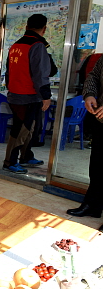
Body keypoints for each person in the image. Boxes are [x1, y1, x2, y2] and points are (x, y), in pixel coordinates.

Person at [2, 14, 52, 174]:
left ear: (27, 26)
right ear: (44, 29)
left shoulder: (16, 45)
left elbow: (8, 72)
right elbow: (40, 74)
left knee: (29, 128)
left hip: (16, 93)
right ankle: (9, 162)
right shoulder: (37, 45)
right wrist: (46, 96)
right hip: (28, 95)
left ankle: (26, 156)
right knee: (21, 129)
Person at [66, 55, 103, 227]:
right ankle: (92, 205)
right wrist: (89, 94)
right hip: (100, 120)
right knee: (97, 165)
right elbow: (94, 76)